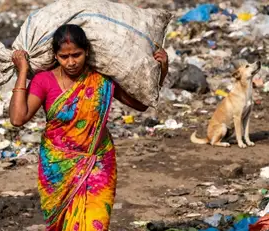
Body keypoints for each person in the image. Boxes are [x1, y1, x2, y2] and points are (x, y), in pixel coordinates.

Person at [10, 24, 168, 231]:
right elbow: (17, 118)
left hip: (98, 160)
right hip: (58, 165)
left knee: (96, 224)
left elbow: (141, 103)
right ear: (55, 56)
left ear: (87, 52)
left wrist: (162, 69)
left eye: (77, 54)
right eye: (64, 57)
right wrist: (22, 71)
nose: (71, 62)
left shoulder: (101, 78)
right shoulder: (44, 81)